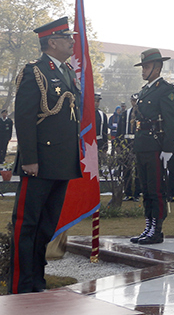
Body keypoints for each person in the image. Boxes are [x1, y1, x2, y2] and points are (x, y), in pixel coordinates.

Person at [8, 17, 81, 293]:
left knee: (46, 226)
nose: (72, 42)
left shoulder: (68, 73)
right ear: (52, 42)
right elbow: (25, 117)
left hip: (62, 162)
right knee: (27, 224)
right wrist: (29, 158)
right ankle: (20, 284)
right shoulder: (35, 71)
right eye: (67, 38)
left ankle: (36, 279)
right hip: (39, 161)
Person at [130, 49, 174, 245]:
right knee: (146, 188)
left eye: (147, 67)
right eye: (143, 67)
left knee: (156, 189)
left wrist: (167, 149)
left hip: (156, 146)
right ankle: (148, 225)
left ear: (157, 68)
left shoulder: (165, 90)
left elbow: (171, 121)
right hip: (143, 145)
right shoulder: (145, 90)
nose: (144, 70)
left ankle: (157, 230)